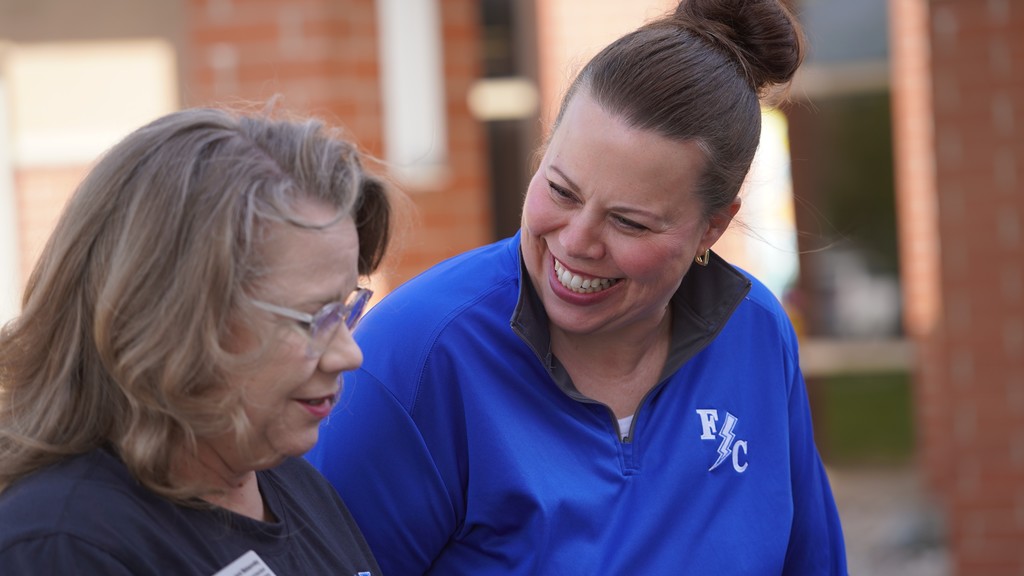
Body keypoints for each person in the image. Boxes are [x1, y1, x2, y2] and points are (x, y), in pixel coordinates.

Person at [309, 0, 848, 573]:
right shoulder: (414, 355)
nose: (577, 242)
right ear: (542, 155)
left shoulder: (757, 334)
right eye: (562, 191)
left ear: (711, 228)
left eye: (629, 222)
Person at [0, 106, 392, 575]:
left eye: (347, 307)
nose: (350, 353)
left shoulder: (289, 484)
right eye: (313, 318)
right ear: (170, 318)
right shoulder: (64, 545)